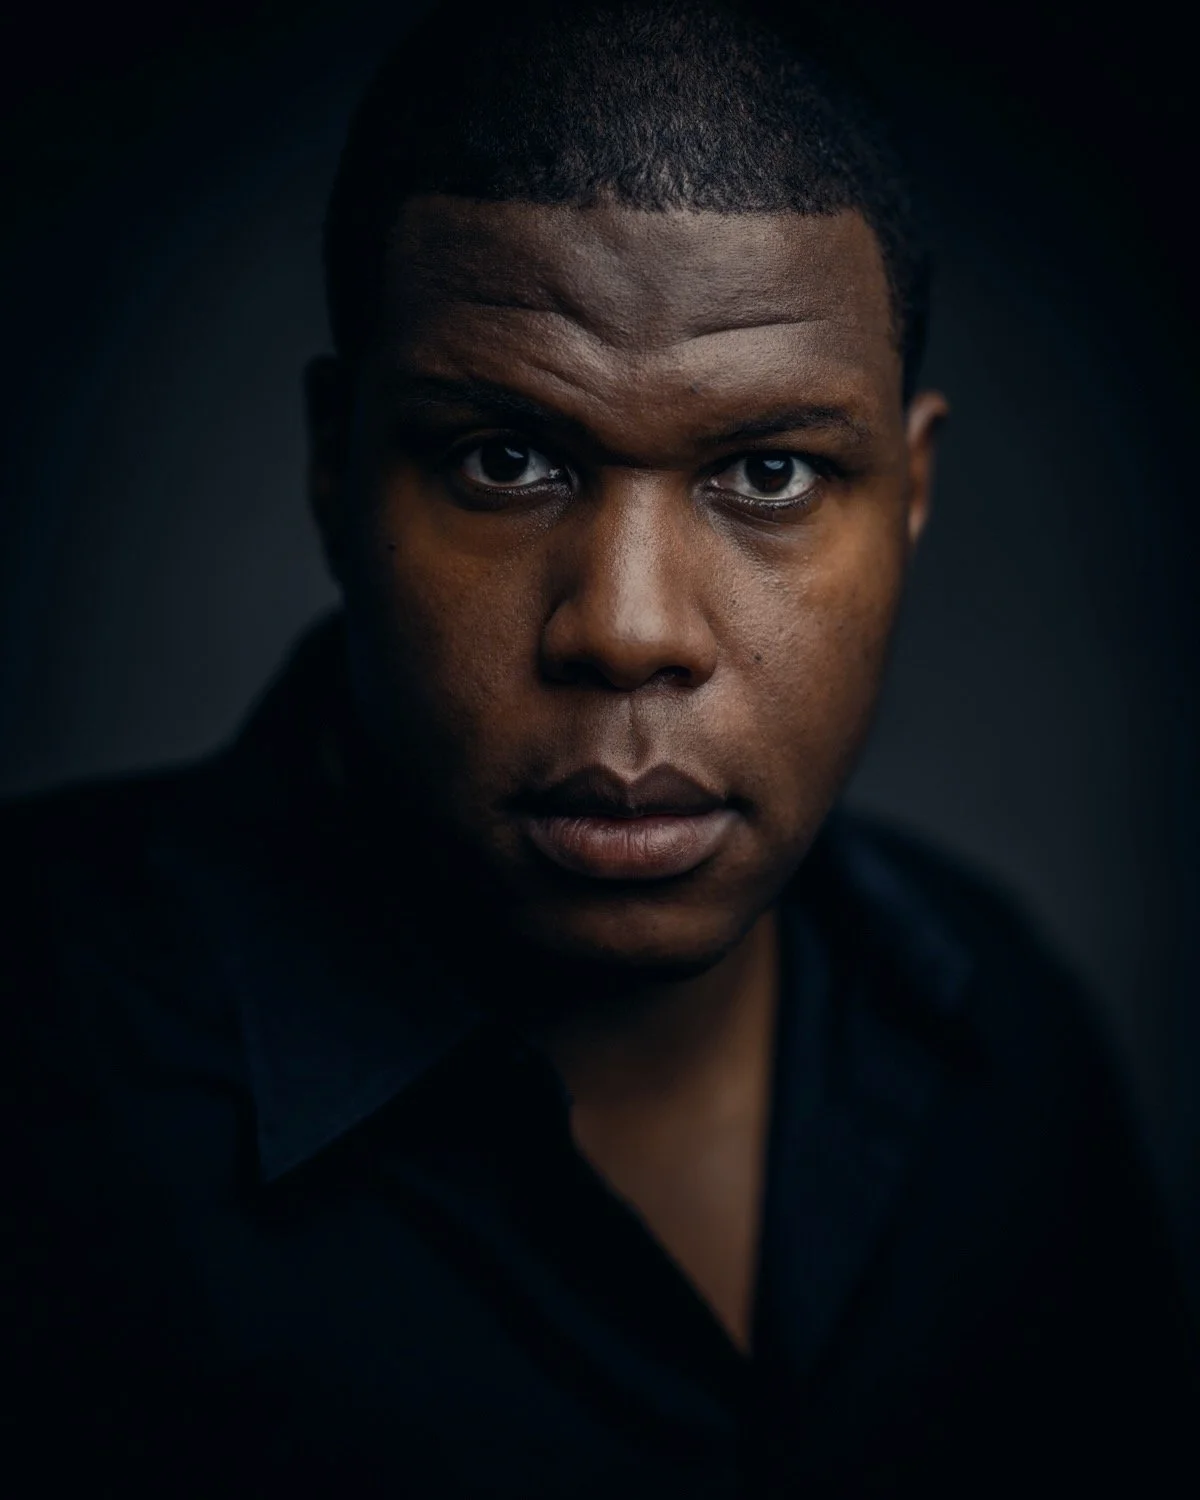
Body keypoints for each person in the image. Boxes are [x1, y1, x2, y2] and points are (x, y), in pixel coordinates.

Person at [3, 2, 1196, 1495]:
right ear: (332, 466)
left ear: (910, 494)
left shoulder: (1004, 1052)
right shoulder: (38, 1078)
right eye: (506, 459)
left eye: (769, 471)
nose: (627, 629)